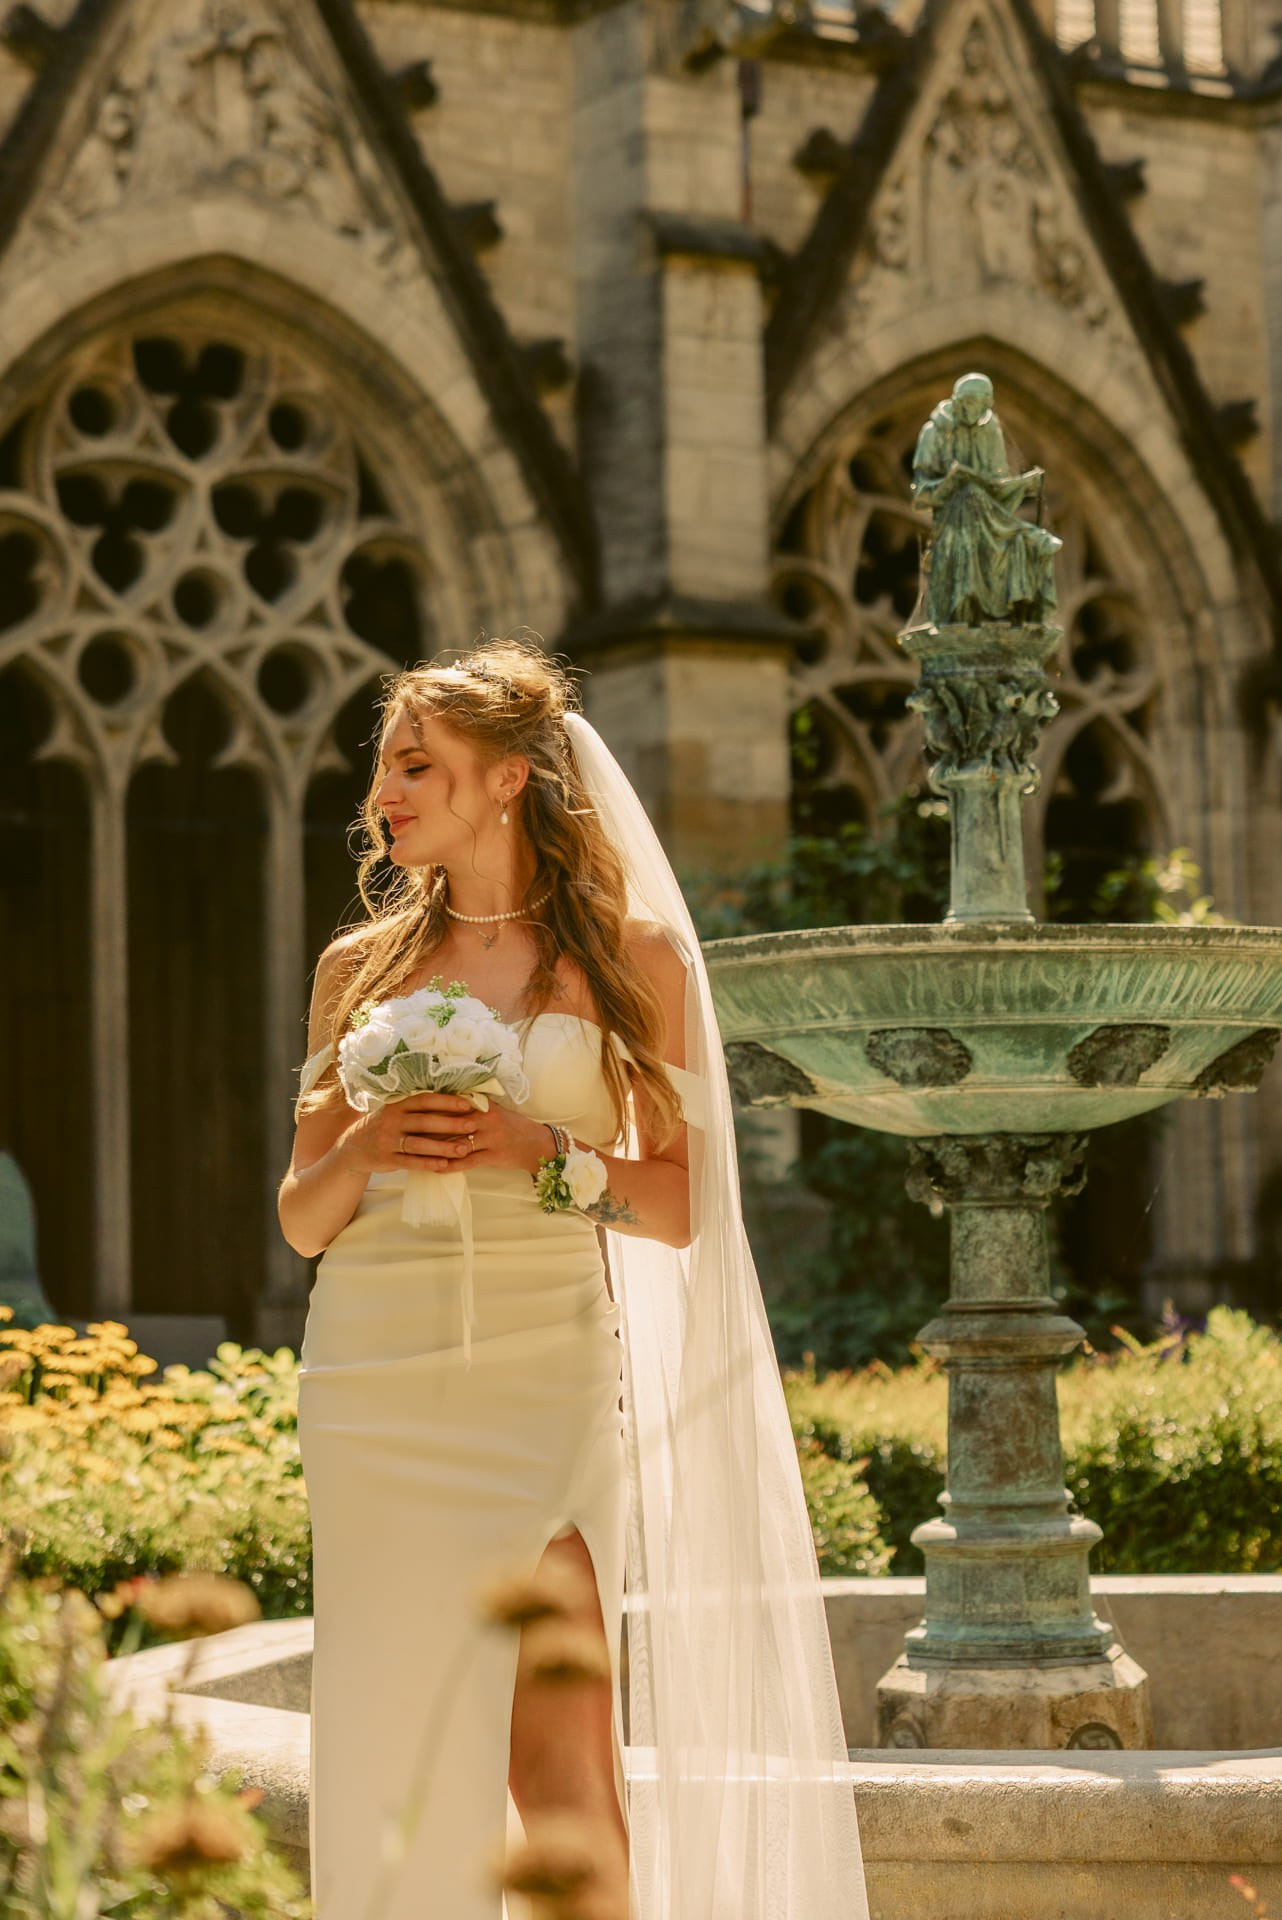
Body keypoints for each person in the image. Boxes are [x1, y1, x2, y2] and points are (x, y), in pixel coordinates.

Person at [277, 637, 869, 1920]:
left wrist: (557, 1158)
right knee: (390, 1745)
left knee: (562, 1768)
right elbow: (303, 1217)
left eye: (416, 762)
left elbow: (682, 1205)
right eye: (384, 764)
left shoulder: (636, 962)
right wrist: (373, 1140)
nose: (384, 789)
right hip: (371, 1386)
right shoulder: (356, 971)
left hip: (543, 1376)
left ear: (506, 780)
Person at [910, 370, 1060, 629]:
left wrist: (1023, 485)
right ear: (957, 401)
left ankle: (1023, 539)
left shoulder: (989, 428)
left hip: (987, 516)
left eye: (981, 407)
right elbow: (920, 496)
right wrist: (949, 482)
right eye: (968, 404)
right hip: (953, 524)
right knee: (969, 495)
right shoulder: (933, 432)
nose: (974, 412)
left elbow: (995, 488)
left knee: (1016, 540)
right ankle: (1025, 532)